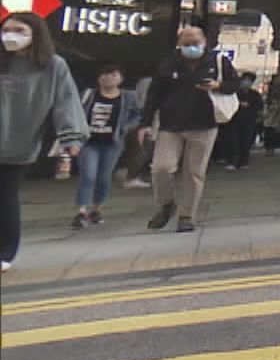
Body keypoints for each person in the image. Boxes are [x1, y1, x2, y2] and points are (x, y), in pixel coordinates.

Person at [2, 12, 87, 270]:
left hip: (18, 143)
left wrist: (71, 136)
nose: (10, 36)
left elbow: (65, 101)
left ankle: (5, 253)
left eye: (19, 30)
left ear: (35, 35)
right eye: (6, 29)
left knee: (5, 198)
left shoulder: (52, 65)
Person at [139, 25, 239, 233]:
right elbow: (154, 95)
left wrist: (218, 86)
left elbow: (235, 85)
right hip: (171, 125)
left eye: (195, 43)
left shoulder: (218, 61)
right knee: (161, 168)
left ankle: (187, 215)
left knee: (194, 172)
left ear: (204, 42)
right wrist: (145, 123)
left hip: (204, 125)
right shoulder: (169, 64)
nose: (192, 47)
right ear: (179, 45)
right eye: (187, 43)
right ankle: (166, 203)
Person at [73, 64, 140, 229]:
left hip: (112, 143)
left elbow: (138, 115)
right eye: (104, 74)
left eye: (112, 74)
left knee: (104, 177)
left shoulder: (128, 97)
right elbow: (75, 111)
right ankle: (81, 212)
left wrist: (125, 127)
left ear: (120, 78)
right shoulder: (89, 95)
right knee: (88, 175)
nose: (108, 77)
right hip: (89, 142)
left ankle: (96, 209)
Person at [220, 71, 263, 170]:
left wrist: (255, 112)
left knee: (245, 141)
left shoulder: (255, 94)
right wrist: (239, 104)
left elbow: (259, 107)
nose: (246, 83)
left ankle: (243, 162)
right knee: (233, 141)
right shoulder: (234, 93)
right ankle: (232, 161)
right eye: (245, 80)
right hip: (234, 120)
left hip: (249, 121)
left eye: (249, 81)